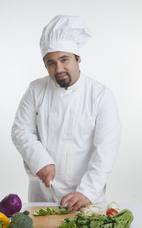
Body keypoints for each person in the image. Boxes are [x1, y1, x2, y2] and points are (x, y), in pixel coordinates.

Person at [11, 15, 121, 213]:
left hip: (86, 197)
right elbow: (20, 130)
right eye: (51, 63)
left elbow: (106, 149)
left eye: (64, 60)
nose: (58, 69)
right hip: (43, 195)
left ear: (78, 58)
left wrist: (87, 191)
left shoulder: (100, 95)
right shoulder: (35, 89)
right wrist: (40, 161)